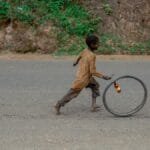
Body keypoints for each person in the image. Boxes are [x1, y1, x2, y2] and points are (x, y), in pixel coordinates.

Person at [55, 34, 111, 115]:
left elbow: (80, 56)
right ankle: (58, 104)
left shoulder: (85, 50)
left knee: (95, 86)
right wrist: (103, 76)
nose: (99, 45)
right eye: (97, 43)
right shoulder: (92, 56)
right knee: (72, 93)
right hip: (83, 79)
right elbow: (93, 71)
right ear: (92, 45)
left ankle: (93, 106)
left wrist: (76, 62)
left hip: (86, 76)